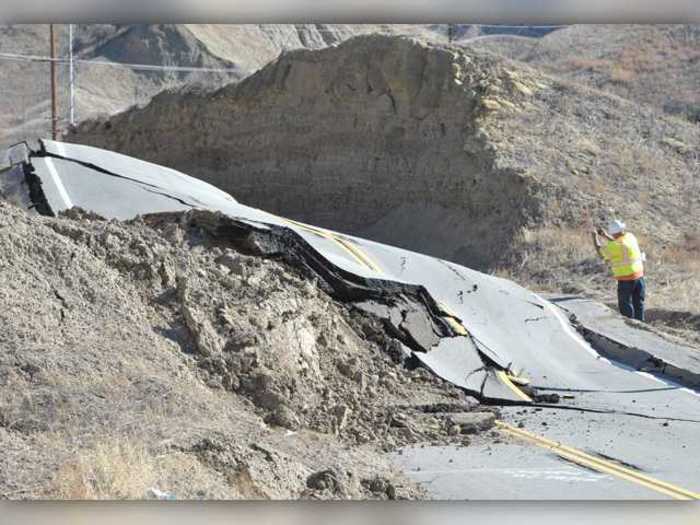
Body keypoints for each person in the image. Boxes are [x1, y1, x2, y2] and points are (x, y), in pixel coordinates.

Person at [592, 219, 646, 321]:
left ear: (613, 233)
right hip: (639, 277)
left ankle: (630, 327)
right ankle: (641, 326)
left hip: (626, 279)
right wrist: (606, 236)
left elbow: (601, 253)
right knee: (638, 304)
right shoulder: (630, 237)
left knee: (625, 306)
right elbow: (619, 243)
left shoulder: (614, 246)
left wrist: (595, 237)